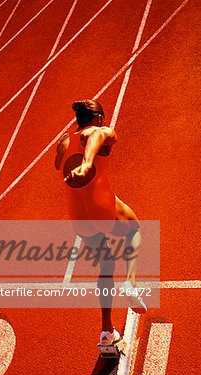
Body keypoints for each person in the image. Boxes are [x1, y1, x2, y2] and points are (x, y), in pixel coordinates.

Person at [55, 99, 146, 347]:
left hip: (79, 217)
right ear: (98, 118)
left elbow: (58, 165)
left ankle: (106, 331)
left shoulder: (64, 141)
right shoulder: (99, 131)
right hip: (101, 205)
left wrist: (79, 165)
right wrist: (87, 164)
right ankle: (131, 283)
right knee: (134, 228)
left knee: (106, 264)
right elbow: (97, 136)